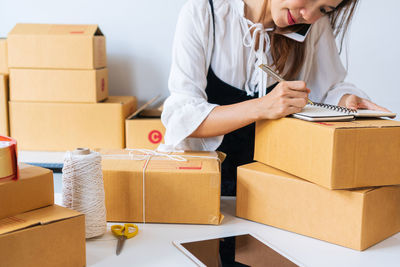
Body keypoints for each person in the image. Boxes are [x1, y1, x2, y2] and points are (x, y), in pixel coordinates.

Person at [160, 0, 390, 196]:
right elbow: (182, 118)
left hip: (271, 190)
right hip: (202, 185)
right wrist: (262, 106)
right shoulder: (205, 12)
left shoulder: (313, 28)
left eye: (324, 9)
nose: (309, 15)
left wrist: (346, 100)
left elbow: (329, 89)